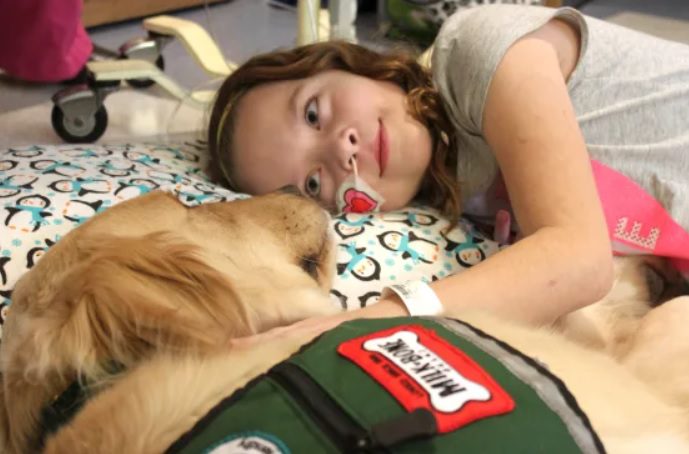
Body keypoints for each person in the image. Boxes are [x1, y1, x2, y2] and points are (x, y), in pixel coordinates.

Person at [206, 4, 689, 341]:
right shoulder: (457, 194)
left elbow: (580, 262)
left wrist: (378, 318)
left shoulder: (477, 50)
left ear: (349, 65)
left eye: (313, 113)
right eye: (314, 183)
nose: (341, 150)